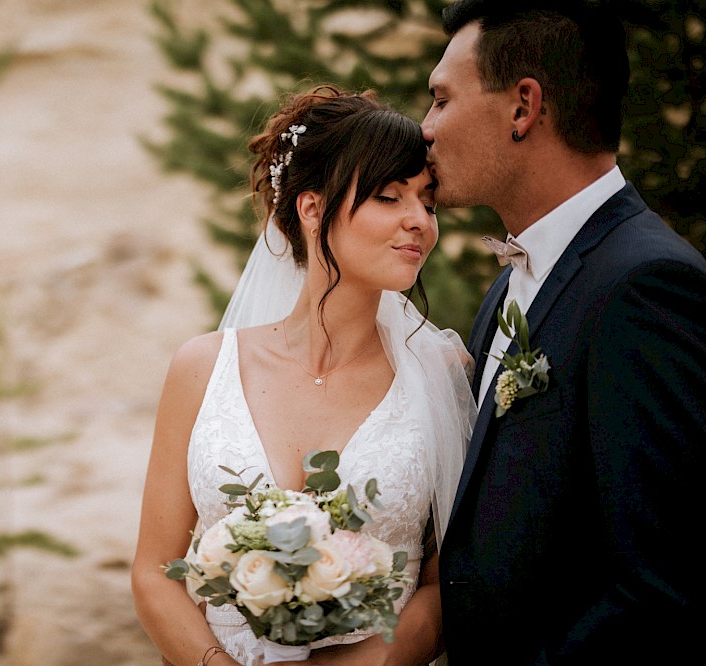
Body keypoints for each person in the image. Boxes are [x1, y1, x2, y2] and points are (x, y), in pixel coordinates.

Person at [132, 85, 476, 666]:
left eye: (428, 201)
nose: (419, 221)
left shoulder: (442, 372)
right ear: (312, 208)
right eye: (390, 197)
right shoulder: (202, 367)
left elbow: (448, 585)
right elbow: (153, 571)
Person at [421, 1, 706, 663]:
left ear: (523, 106)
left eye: (441, 99)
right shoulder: (512, 286)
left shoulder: (646, 285)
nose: (426, 128)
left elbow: (664, 587)